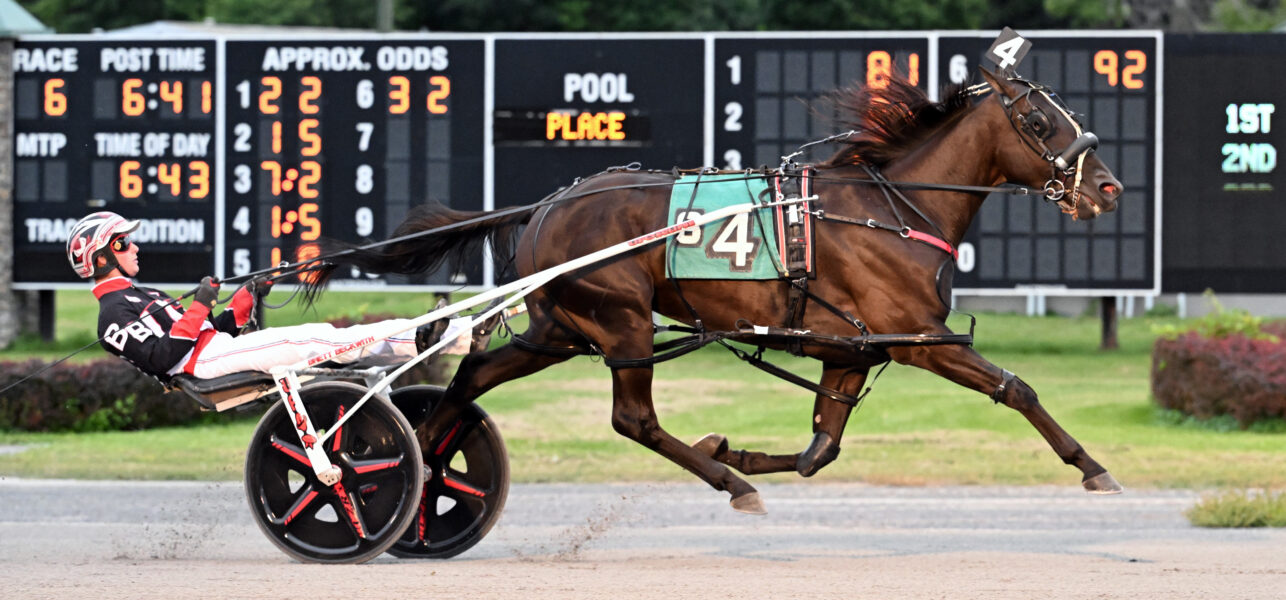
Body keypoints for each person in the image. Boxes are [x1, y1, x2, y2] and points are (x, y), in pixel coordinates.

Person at [67, 211, 455, 382]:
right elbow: (163, 357)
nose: (134, 247)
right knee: (312, 339)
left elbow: (206, 331)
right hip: (202, 365)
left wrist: (246, 298)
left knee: (324, 338)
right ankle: (419, 336)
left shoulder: (140, 294)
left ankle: (455, 333)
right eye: (122, 242)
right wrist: (201, 302)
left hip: (213, 351)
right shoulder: (113, 315)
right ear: (100, 258)